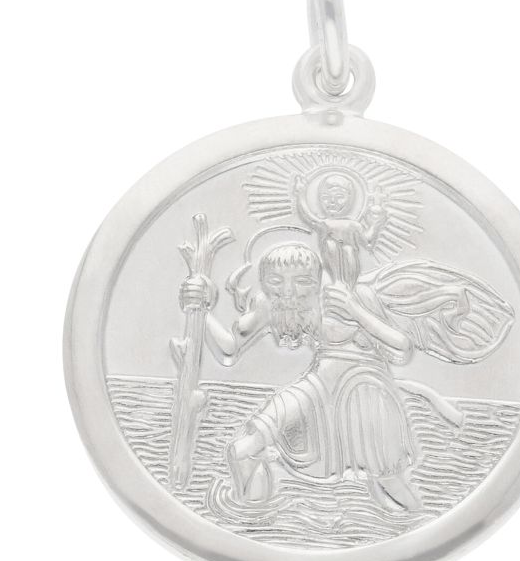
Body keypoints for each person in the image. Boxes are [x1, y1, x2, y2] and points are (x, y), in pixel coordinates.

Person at [178, 241, 422, 512]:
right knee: (243, 450)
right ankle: (252, 517)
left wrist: (354, 310)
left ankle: (415, 521)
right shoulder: (270, 304)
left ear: (316, 280)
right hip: (317, 387)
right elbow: (229, 349)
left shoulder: (353, 295)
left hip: (364, 388)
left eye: (302, 281)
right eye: (276, 281)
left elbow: (402, 348)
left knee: (388, 480)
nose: (289, 290)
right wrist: (200, 308)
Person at [292, 172, 387, 288]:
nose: (332, 201)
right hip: (330, 256)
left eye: (339, 197)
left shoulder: (353, 225)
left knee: (348, 250)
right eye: (325, 197)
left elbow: (368, 243)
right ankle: (337, 281)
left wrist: (375, 225)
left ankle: (349, 286)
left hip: (350, 261)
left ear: (351, 199)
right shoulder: (324, 224)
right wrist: (300, 195)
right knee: (330, 244)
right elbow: (306, 215)